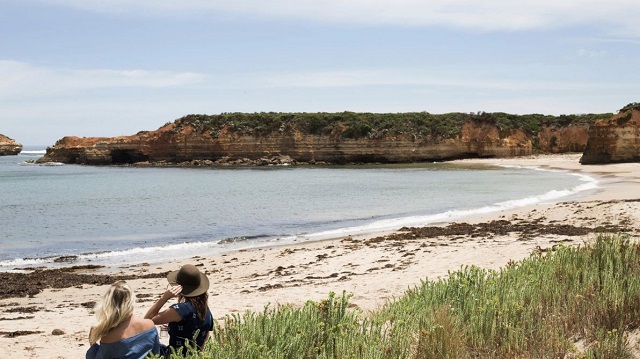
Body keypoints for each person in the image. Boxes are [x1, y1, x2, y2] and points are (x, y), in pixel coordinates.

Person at [145, 264, 214, 356]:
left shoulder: (180, 309)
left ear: (179, 287)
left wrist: (164, 298)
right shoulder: (205, 310)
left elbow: (146, 321)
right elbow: (203, 338)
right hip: (195, 356)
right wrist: (172, 327)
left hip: (174, 356)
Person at [86, 281, 161, 359]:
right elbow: (156, 354)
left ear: (109, 304)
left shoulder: (109, 336)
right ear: (131, 300)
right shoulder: (149, 324)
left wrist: (93, 344)